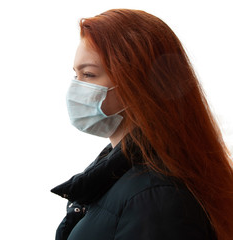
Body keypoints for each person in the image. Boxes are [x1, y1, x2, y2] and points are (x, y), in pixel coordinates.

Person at [51, 9, 233, 240]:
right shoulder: (116, 180)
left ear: (136, 82)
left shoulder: (156, 197)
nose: (76, 88)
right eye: (76, 75)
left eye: (89, 74)